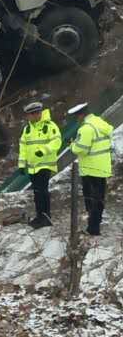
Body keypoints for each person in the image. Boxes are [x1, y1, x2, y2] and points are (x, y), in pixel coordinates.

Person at [69, 101, 113, 236]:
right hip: (102, 166)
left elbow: (81, 149)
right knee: (99, 197)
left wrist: (72, 144)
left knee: (91, 199)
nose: (77, 119)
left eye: (77, 116)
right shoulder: (101, 123)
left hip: (90, 168)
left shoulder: (86, 129)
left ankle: (93, 228)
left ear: (81, 115)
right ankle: (96, 223)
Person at [18, 97, 61, 229]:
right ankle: (39, 216)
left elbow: (57, 142)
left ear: (37, 113)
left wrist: (43, 150)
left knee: (42, 192)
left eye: (30, 114)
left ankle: (46, 217)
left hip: (44, 164)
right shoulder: (27, 129)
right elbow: (23, 147)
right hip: (32, 167)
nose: (29, 117)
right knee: (37, 193)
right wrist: (21, 164)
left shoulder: (49, 126)